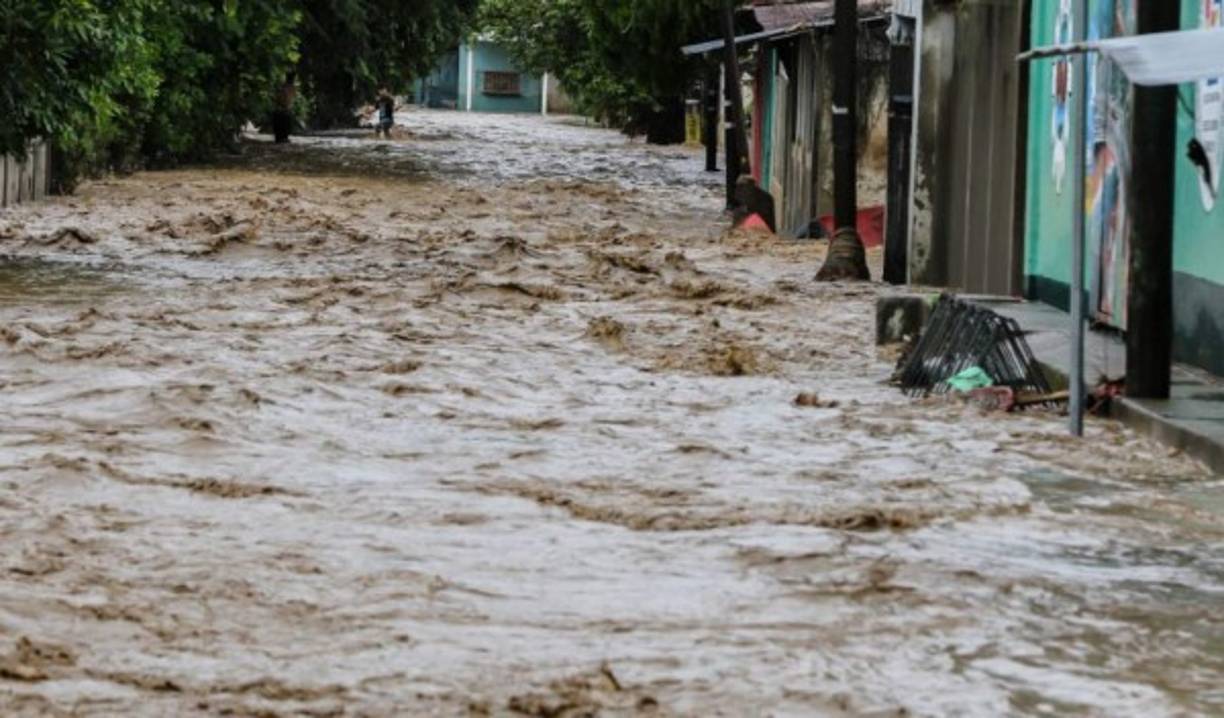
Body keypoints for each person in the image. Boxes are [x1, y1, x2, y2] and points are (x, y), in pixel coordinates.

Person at [273, 72, 296, 144]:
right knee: (285, 123)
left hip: (280, 108)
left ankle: (280, 138)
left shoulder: (283, 86)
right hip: (284, 109)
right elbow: (288, 99)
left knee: (281, 124)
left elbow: (278, 97)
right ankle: (283, 138)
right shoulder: (290, 87)